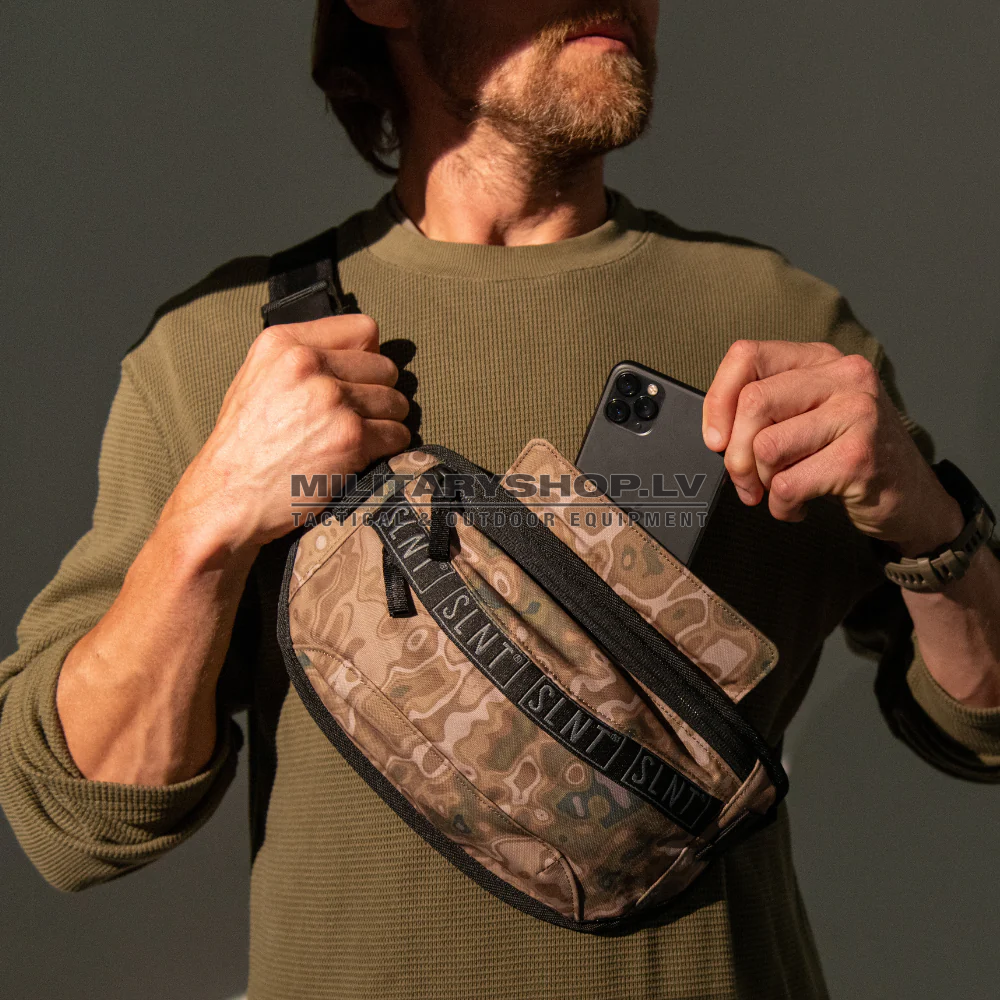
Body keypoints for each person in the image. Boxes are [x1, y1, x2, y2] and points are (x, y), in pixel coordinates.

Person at [2, 2, 998, 998]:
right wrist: (207, 521)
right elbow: (73, 816)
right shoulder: (223, 349)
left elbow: (983, 729)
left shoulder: (778, 324)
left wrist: (929, 522)